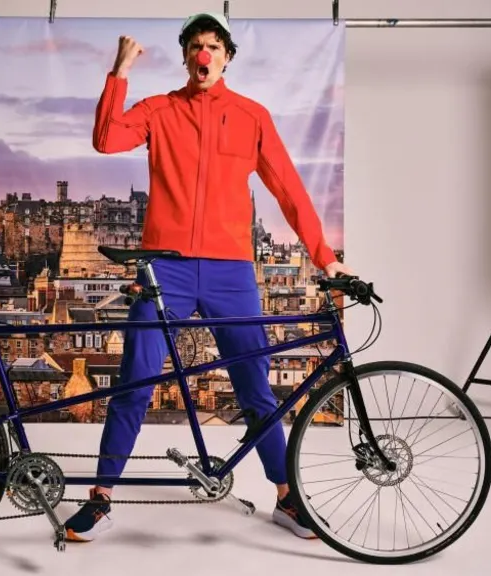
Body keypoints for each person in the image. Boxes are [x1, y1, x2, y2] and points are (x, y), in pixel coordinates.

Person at [62, 12, 352, 543]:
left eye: (214, 47)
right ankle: (100, 498)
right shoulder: (159, 110)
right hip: (164, 269)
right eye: (196, 46)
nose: (204, 54)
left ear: (227, 57)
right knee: (134, 382)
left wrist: (324, 257)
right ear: (185, 57)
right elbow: (106, 139)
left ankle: (286, 498)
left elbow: (289, 190)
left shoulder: (252, 116)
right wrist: (119, 72)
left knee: (256, 389)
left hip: (230, 272)